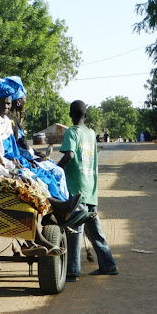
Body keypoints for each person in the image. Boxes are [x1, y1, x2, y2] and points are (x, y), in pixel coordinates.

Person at [0, 88, 84, 256]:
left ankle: (48, 217)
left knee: (28, 179)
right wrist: (8, 174)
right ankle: (42, 229)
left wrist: (13, 170)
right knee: (21, 188)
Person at [58, 100, 118, 282]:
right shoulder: (91, 134)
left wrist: (55, 168)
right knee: (94, 231)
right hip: (90, 190)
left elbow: (69, 155)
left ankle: (72, 271)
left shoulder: (72, 132)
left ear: (70, 114)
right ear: (86, 115)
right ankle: (108, 265)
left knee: (75, 230)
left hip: (76, 190)